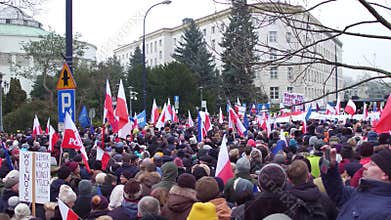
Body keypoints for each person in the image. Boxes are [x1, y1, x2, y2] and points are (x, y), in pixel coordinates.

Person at [321, 147, 391, 219]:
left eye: (372, 164)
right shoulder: (358, 192)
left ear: (385, 175)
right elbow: (335, 191)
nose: (364, 166)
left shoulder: (386, 213)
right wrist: (326, 163)